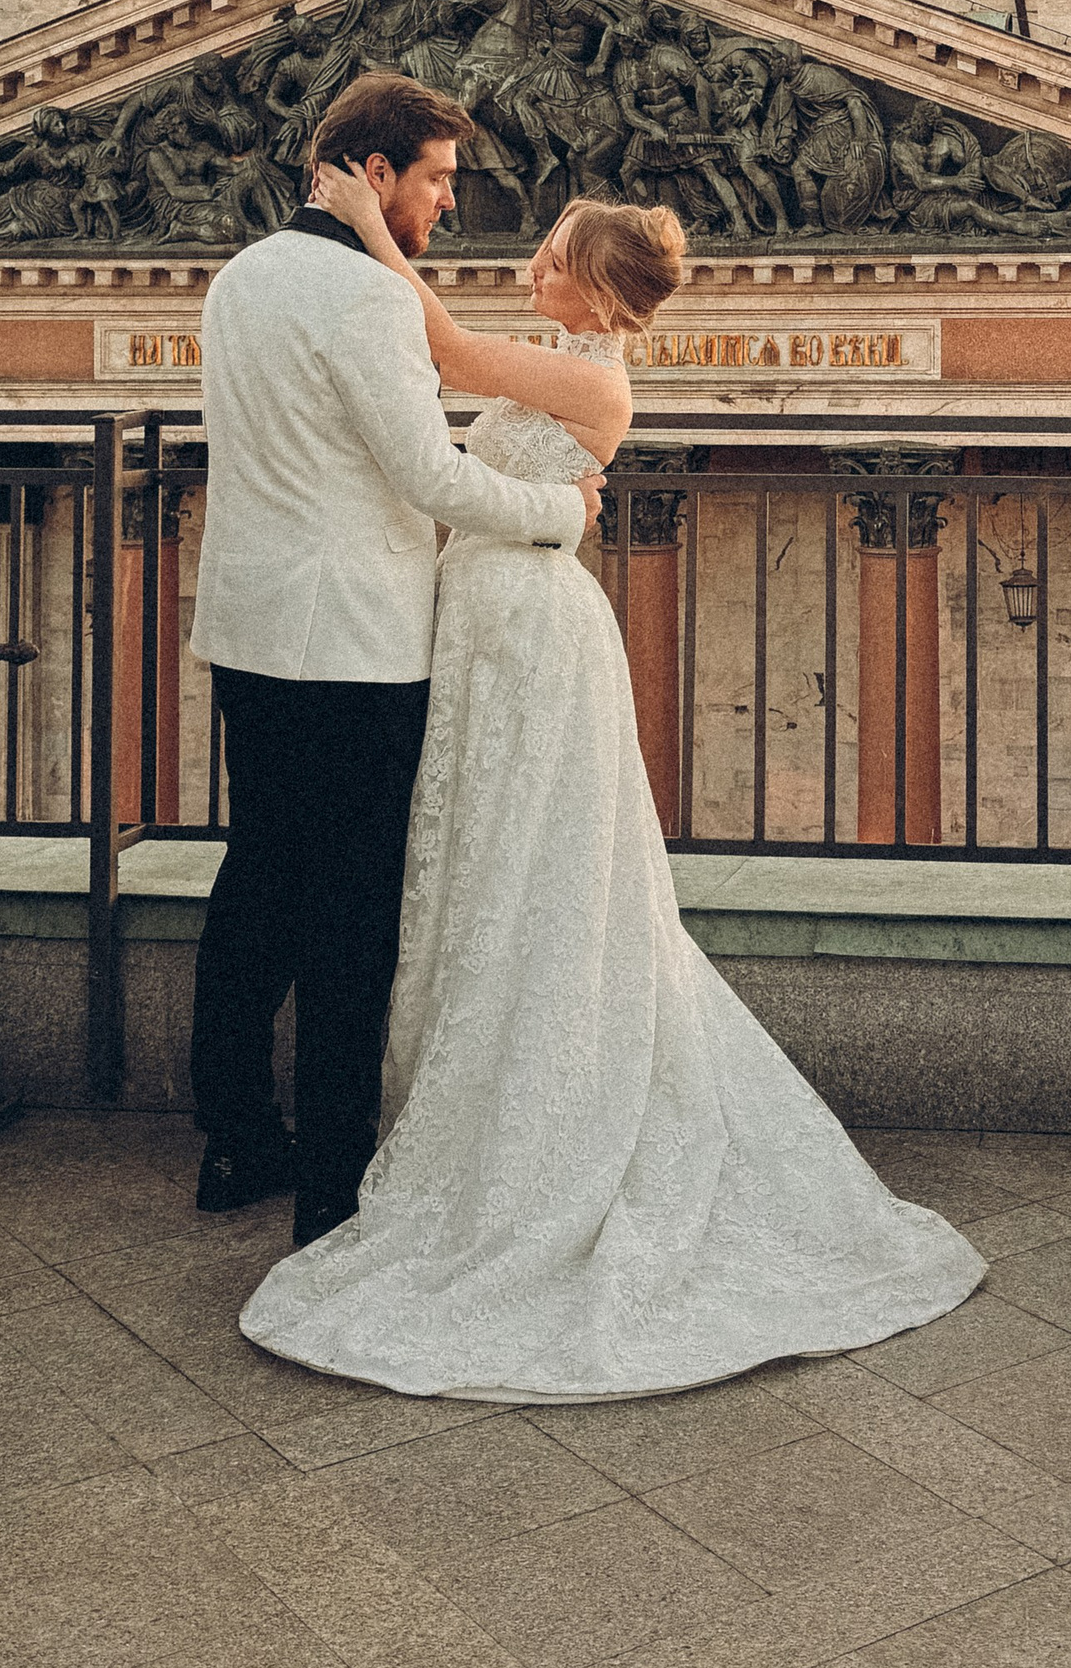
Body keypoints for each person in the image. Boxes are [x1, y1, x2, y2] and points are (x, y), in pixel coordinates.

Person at [238, 175, 984, 1400]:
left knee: (536, 865)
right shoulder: (556, 362)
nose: (531, 260)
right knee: (479, 862)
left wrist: (366, 224)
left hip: (531, 633)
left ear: (593, 280)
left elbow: (439, 343)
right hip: (480, 621)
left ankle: (532, 1135)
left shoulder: (593, 379)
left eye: (550, 251)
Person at [188, 73, 603, 1244]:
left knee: (256, 878)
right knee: (350, 916)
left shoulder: (240, 278)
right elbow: (427, 477)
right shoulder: (369, 298)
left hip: (249, 625)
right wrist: (561, 509)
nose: (445, 203)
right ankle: (331, 1177)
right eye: (436, 178)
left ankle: (233, 1137)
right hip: (356, 645)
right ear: (376, 173)